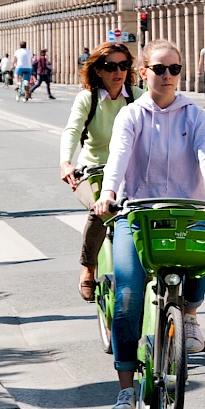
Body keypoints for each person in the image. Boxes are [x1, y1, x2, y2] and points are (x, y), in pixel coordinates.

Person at [93, 39, 205, 409]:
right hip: (136, 213)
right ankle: (126, 390)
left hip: (185, 212)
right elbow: (119, 156)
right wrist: (109, 194)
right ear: (144, 73)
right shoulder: (132, 115)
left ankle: (188, 315)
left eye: (174, 69)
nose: (168, 76)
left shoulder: (195, 115)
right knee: (126, 296)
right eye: (159, 69)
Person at [59, 42, 144, 301]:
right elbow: (72, 130)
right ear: (97, 70)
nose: (118, 72)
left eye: (123, 65)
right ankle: (88, 267)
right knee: (99, 209)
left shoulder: (138, 96)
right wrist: (66, 163)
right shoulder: (89, 98)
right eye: (110, 66)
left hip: (128, 173)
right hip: (91, 172)